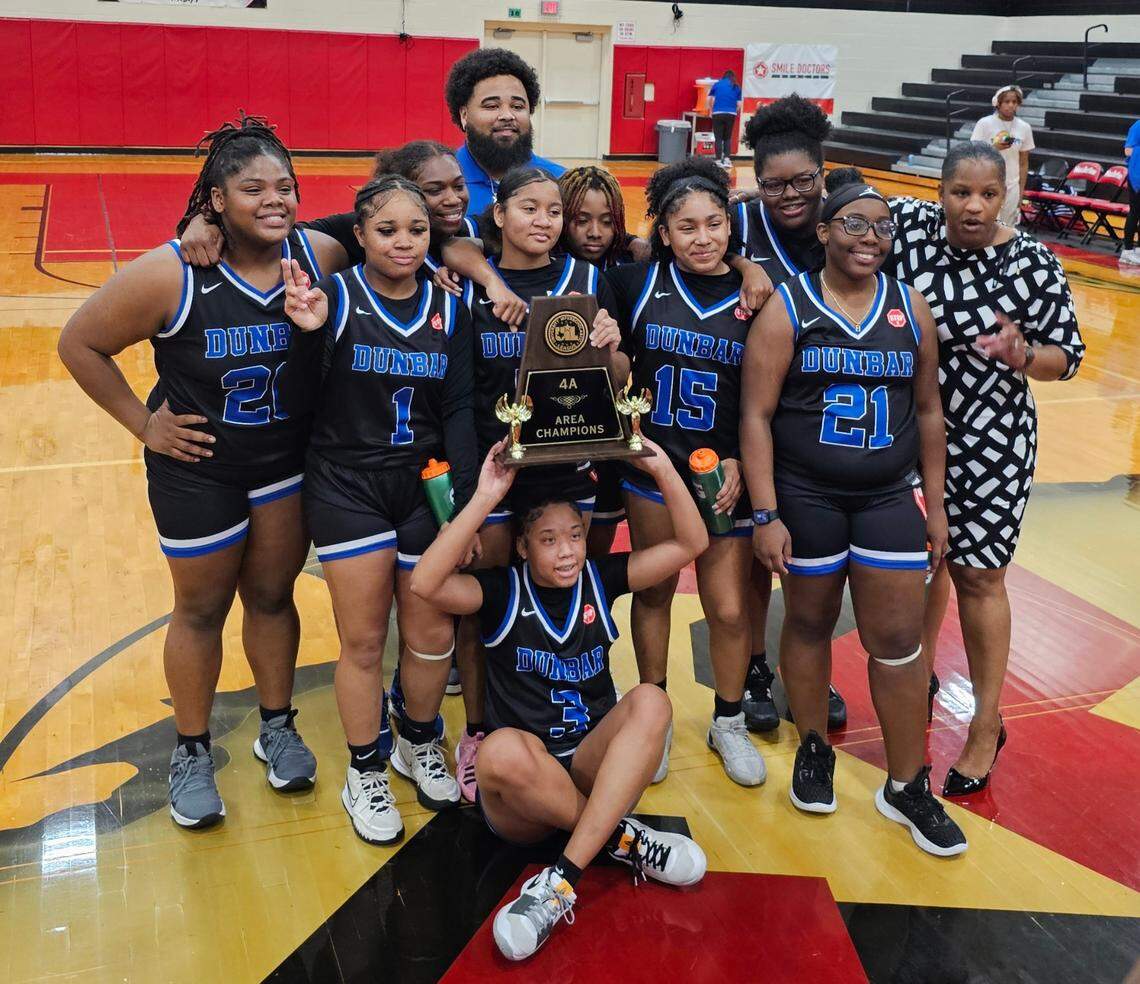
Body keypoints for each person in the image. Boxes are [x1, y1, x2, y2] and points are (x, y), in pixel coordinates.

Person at [57, 117, 348, 828]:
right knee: (199, 610)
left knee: (274, 598)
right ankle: (191, 750)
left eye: (285, 186)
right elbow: (79, 342)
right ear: (215, 200)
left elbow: (400, 222)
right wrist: (143, 424)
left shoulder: (322, 253)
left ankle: (276, 727)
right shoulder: (174, 271)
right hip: (200, 470)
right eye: (252, 188)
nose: (274, 199)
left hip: (283, 462)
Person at [410, 438, 709, 962]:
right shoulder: (502, 591)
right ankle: (624, 841)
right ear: (523, 547)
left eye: (574, 535)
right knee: (497, 752)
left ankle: (560, 881)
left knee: (651, 701)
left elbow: (691, 543)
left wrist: (661, 467)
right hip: (525, 795)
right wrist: (484, 497)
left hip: (590, 768)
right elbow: (425, 583)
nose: (567, 550)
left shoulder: (601, 578)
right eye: (548, 540)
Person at [742, 167, 968, 857]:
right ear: (823, 230)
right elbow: (754, 414)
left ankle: (907, 784)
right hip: (804, 493)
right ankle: (814, 746)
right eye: (853, 223)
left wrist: (936, 506)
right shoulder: (789, 306)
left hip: (885, 494)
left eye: (881, 226)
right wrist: (765, 513)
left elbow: (929, 411)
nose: (870, 237)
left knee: (899, 639)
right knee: (807, 621)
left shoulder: (910, 305)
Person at [278, 175, 478, 843]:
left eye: (416, 230)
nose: (403, 242)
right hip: (347, 485)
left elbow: (456, 409)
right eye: (386, 230)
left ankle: (416, 741)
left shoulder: (450, 308)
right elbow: (303, 397)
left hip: (423, 486)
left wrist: (466, 507)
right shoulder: (332, 297)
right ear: (357, 235)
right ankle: (364, 768)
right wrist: (306, 336)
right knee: (364, 641)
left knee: (431, 637)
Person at [886, 143, 1084, 795]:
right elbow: (835, 205)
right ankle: (918, 678)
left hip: (992, 439)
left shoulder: (1032, 263)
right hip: (907, 428)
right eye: (959, 192)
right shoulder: (911, 231)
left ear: (1007, 196)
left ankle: (984, 724)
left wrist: (1022, 353)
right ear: (937, 191)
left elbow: (1068, 357)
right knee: (922, 562)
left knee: (977, 574)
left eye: (987, 194)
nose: (972, 206)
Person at [454, 165, 626, 805]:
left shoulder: (586, 279)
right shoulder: (467, 281)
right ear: (498, 215)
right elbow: (460, 393)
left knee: (569, 600)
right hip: (497, 475)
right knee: (487, 609)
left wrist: (609, 346)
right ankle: (480, 731)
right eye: (529, 208)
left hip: (566, 471)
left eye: (554, 210)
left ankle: (581, 720)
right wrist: (471, 491)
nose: (545, 221)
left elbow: (617, 376)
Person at [605, 157, 766, 787]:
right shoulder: (633, 283)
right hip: (652, 469)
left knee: (727, 609)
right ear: (663, 234)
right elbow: (609, 367)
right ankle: (655, 715)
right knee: (654, 593)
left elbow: (768, 397)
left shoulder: (759, 293)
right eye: (687, 226)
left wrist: (743, 464)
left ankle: (727, 720)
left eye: (715, 224)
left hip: (723, 474)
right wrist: (607, 349)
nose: (704, 238)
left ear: (731, 225)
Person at [735, 93, 850, 735]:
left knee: (817, 566)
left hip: (823, 419)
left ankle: (812, 673)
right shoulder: (741, 223)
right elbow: (682, 241)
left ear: (822, 174)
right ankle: (754, 666)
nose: (788, 195)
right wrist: (742, 261)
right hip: (753, 410)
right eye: (772, 184)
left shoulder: (849, 222)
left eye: (802, 181)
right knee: (757, 555)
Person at [177, 140, 527, 328]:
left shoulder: (471, 227)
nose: (453, 199)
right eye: (434, 190)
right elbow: (283, 229)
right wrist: (205, 218)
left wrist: (491, 280)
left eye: (459, 185)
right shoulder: (359, 227)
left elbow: (464, 243)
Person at [557, 165, 651, 555]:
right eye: (581, 220)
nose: (594, 232)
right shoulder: (543, 263)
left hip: (608, 425)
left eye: (606, 221)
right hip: (553, 426)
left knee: (596, 545)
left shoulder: (628, 269)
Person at [444, 47, 566, 217]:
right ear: (464, 115)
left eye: (517, 107)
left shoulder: (561, 181)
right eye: (491, 106)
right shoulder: (439, 184)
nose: (507, 115)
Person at [970, 85, 1035, 227]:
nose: (1011, 105)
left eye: (1014, 102)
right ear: (997, 103)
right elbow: (972, 153)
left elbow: (1023, 163)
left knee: (1007, 226)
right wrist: (994, 148)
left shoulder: (1024, 127)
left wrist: (1021, 190)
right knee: (987, 222)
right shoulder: (984, 124)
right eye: (1007, 101)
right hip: (986, 182)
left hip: (1012, 185)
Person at [708, 69, 742, 168]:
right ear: (733, 77)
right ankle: (727, 160)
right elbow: (739, 104)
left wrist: (711, 110)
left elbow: (710, 99)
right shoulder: (736, 86)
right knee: (727, 137)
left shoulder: (717, 84)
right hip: (731, 113)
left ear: (724, 76)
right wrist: (734, 111)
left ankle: (718, 161)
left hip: (718, 112)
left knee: (718, 138)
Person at [1120, 116, 1140, 265]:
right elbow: (1128, 151)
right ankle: (1127, 251)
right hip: (1137, 175)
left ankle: (1139, 249)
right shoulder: (1137, 126)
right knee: (1135, 212)